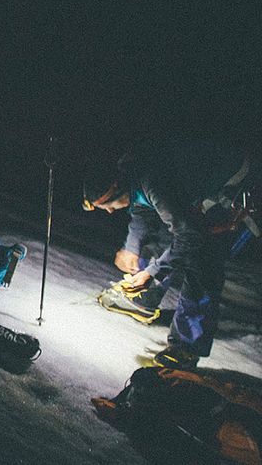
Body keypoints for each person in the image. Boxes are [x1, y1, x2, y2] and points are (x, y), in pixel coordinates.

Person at [82, 139, 258, 369]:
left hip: (234, 188)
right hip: (196, 196)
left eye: (106, 206)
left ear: (116, 190)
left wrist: (152, 272)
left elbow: (189, 237)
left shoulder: (153, 182)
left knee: (203, 259)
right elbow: (142, 214)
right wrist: (131, 247)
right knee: (165, 232)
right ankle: (142, 298)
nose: (108, 212)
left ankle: (186, 347)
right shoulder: (136, 177)